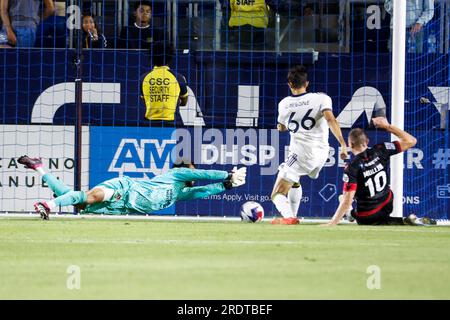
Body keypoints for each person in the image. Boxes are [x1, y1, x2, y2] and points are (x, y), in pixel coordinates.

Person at [18, 155, 247, 220]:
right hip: (125, 188)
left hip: (120, 208)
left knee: (77, 200)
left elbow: (202, 190)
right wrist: (225, 173)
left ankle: (39, 168)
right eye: (191, 168)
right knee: (91, 196)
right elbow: (202, 174)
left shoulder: (180, 193)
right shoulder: (176, 175)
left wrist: (225, 185)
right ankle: (46, 205)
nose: (193, 172)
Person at [271, 65, 348, 225]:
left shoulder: (284, 104)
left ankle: (289, 217)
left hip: (300, 154)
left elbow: (281, 128)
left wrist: (283, 126)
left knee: (277, 193)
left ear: (290, 84)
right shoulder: (322, 98)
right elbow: (331, 120)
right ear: (307, 83)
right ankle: (293, 215)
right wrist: (342, 143)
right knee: (295, 180)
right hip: (321, 155)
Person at [325, 117, 436, 226]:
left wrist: (333, 222)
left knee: (349, 192)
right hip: (387, 204)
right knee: (378, 197)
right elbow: (411, 141)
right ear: (367, 141)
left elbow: (347, 199)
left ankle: (350, 213)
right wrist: (387, 126)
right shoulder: (381, 149)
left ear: (351, 145)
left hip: (367, 216)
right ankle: (402, 220)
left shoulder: (352, 167)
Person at [140, 42, 188, 123]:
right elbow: (184, 103)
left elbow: (145, 101)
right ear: (170, 58)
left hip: (149, 122)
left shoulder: (143, 78)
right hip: (171, 123)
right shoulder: (179, 78)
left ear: (151, 57)